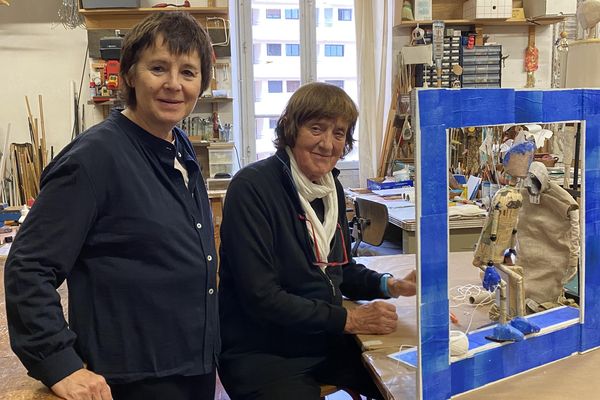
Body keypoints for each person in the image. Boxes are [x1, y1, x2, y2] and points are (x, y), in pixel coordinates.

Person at [4, 12, 219, 400]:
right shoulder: (93, 159)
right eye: (158, 68)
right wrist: (60, 364)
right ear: (130, 76)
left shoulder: (179, 147)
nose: (174, 84)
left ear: (201, 84)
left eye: (188, 72)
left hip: (191, 364)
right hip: (133, 379)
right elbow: (28, 268)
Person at [218, 82, 417, 399]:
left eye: (339, 133)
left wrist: (390, 285)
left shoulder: (330, 190)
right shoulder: (252, 189)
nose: (328, 144)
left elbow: (340, 270)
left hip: (324, 338)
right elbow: (262, 298)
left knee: (408, 382)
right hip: (264, 353)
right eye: (316, 129)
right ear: (291, 130)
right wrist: (348, 319)